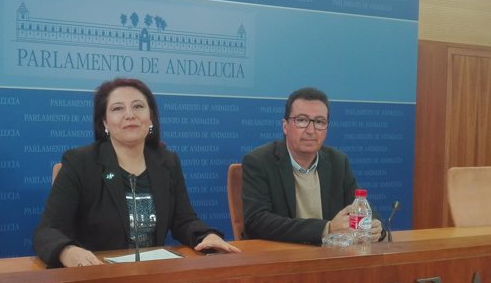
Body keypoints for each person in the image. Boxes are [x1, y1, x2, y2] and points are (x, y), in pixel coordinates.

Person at [34, 78, 240, 267]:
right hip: (97, 277)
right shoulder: (81, 162)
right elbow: (47, 231)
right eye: (117, 108)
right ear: (104, 122)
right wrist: (66, 251)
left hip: (151, 276)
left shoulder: (167, 162)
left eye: (138, 106)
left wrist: (205, 235)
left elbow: (183, 219)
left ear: (150, 117)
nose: (130, 115)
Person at [241, 87, 385, 244]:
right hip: (279, 255)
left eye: (319, 122)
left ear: (327, 128)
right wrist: (326, 229)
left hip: (329, 257)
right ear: (285, 126)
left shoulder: (338, 161)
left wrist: (375, 227)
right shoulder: (259, 161)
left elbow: (359, 204)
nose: (311, 130)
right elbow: (257, 221)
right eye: (302, 120)